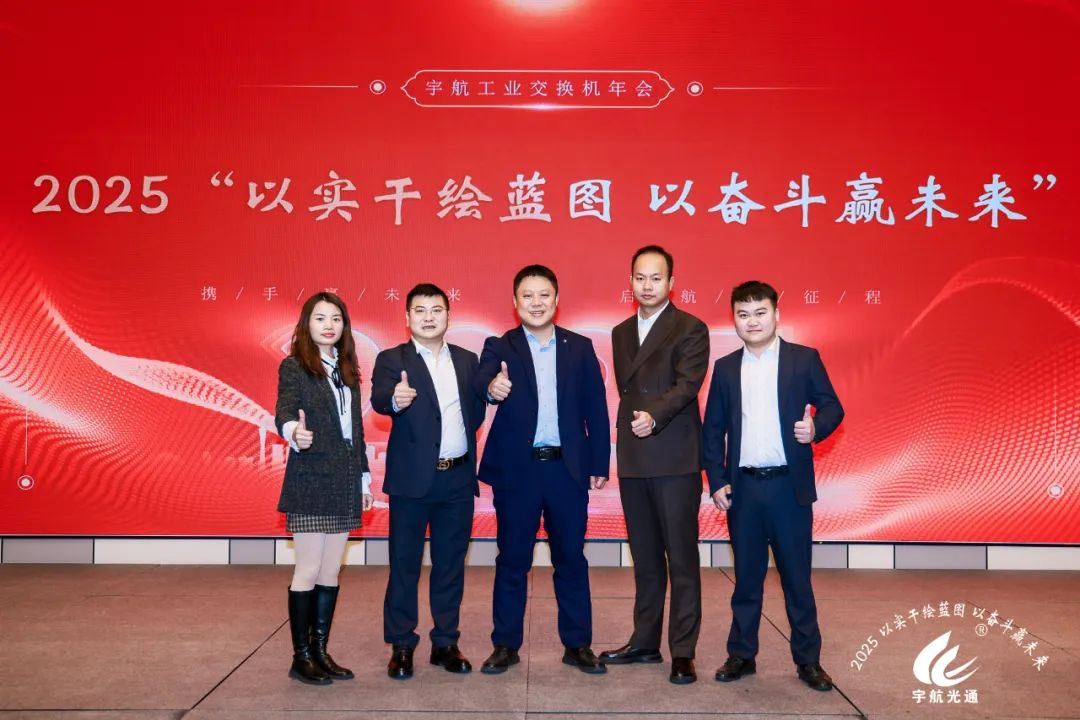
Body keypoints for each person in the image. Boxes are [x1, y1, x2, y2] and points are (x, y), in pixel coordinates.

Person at [702, 280, 844, 692]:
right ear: (734, 320)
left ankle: (809, 661)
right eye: (743, 315)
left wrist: (815, 428)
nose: (753, 321)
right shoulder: (726, 368)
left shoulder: (803, 359)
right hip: (744, 490)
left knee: (797, 579)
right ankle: (741, 654)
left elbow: (833, 406)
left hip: (788, 489)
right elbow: (712, 430)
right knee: (746, 580)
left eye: (760, 313)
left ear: (776, 314)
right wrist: (717, 481)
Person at [473, 264, 611, 675]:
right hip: (519, 472)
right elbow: (482, 381)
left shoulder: (580, 347)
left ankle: (578, 644)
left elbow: (596, 409)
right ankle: (505, 645)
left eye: (544, 295)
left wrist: (598, 462)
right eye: (527, 296)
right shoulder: (500, 346)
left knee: (571, 559)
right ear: (515, 302)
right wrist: (491, 388)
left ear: (556, 299)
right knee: (512, 560)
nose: (536, 303)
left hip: (566, 471)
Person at [601, 245, 709, 685]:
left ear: (671, 283)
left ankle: (682, 651)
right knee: (645, 558)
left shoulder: (690, 327)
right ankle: (644, 641)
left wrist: (654, 415)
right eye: (640, 278)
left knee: (681, 558)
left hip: (674, 457)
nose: (647, 286)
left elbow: (687, 385)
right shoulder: (620, 332)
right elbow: (628, 390)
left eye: (656, 278)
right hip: (634, 457)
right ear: (631, 281)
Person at [370, 283, 485, 680]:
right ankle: (402, 644)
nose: (429, 317)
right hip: (411, 482)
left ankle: (445, 643)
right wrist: (394, 400)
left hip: (457, 480)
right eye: (420, 310)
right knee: (404, 565)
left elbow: (475, 411)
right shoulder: (391, 359)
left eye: (436, 309)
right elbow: (380, 397)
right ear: (407, 318)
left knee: (450, 566)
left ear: (448, 316)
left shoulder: (468, 360)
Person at [275, 292, 374, 685]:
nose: (329, 325)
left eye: (336, 318)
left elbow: (356, 432)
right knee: (309, 568)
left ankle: (320, 652)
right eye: (320, 318)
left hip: (345, 479)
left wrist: (363, 479)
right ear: (307, 324)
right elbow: (284, 409)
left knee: (331, 570)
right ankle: (300, 657)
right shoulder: (294, 366)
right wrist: (293, 432)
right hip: (311, 478)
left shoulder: (348, 371)